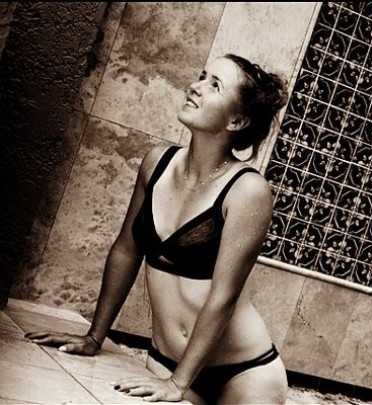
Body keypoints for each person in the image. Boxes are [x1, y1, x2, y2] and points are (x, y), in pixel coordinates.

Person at [25, 53, 289, 404]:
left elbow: (223, 296)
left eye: (215, 85)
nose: (195, 87)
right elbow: (126, 250)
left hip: (244, 374)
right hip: (165, 360)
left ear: (237, 120)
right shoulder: (157, 163)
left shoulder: (247, 190)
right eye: (202, 76)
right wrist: (94, 337)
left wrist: (178, 384)